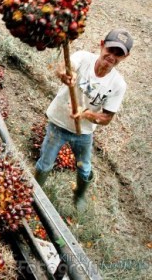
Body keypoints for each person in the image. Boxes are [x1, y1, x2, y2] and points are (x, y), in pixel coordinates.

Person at [35, 28, 133, 212]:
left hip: (84, 133)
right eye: (110, 49)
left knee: (84, 167)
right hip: (58, 123)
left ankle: (79, 194)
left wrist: (85, 113)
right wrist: (64, 74)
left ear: (125, 58)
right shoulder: (83, 58)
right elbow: (64, 66)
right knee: (46, 161)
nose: (112, 56)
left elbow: (106, 118)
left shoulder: (118, 84)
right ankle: (36, 192)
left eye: (119, 54)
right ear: (102, 45)